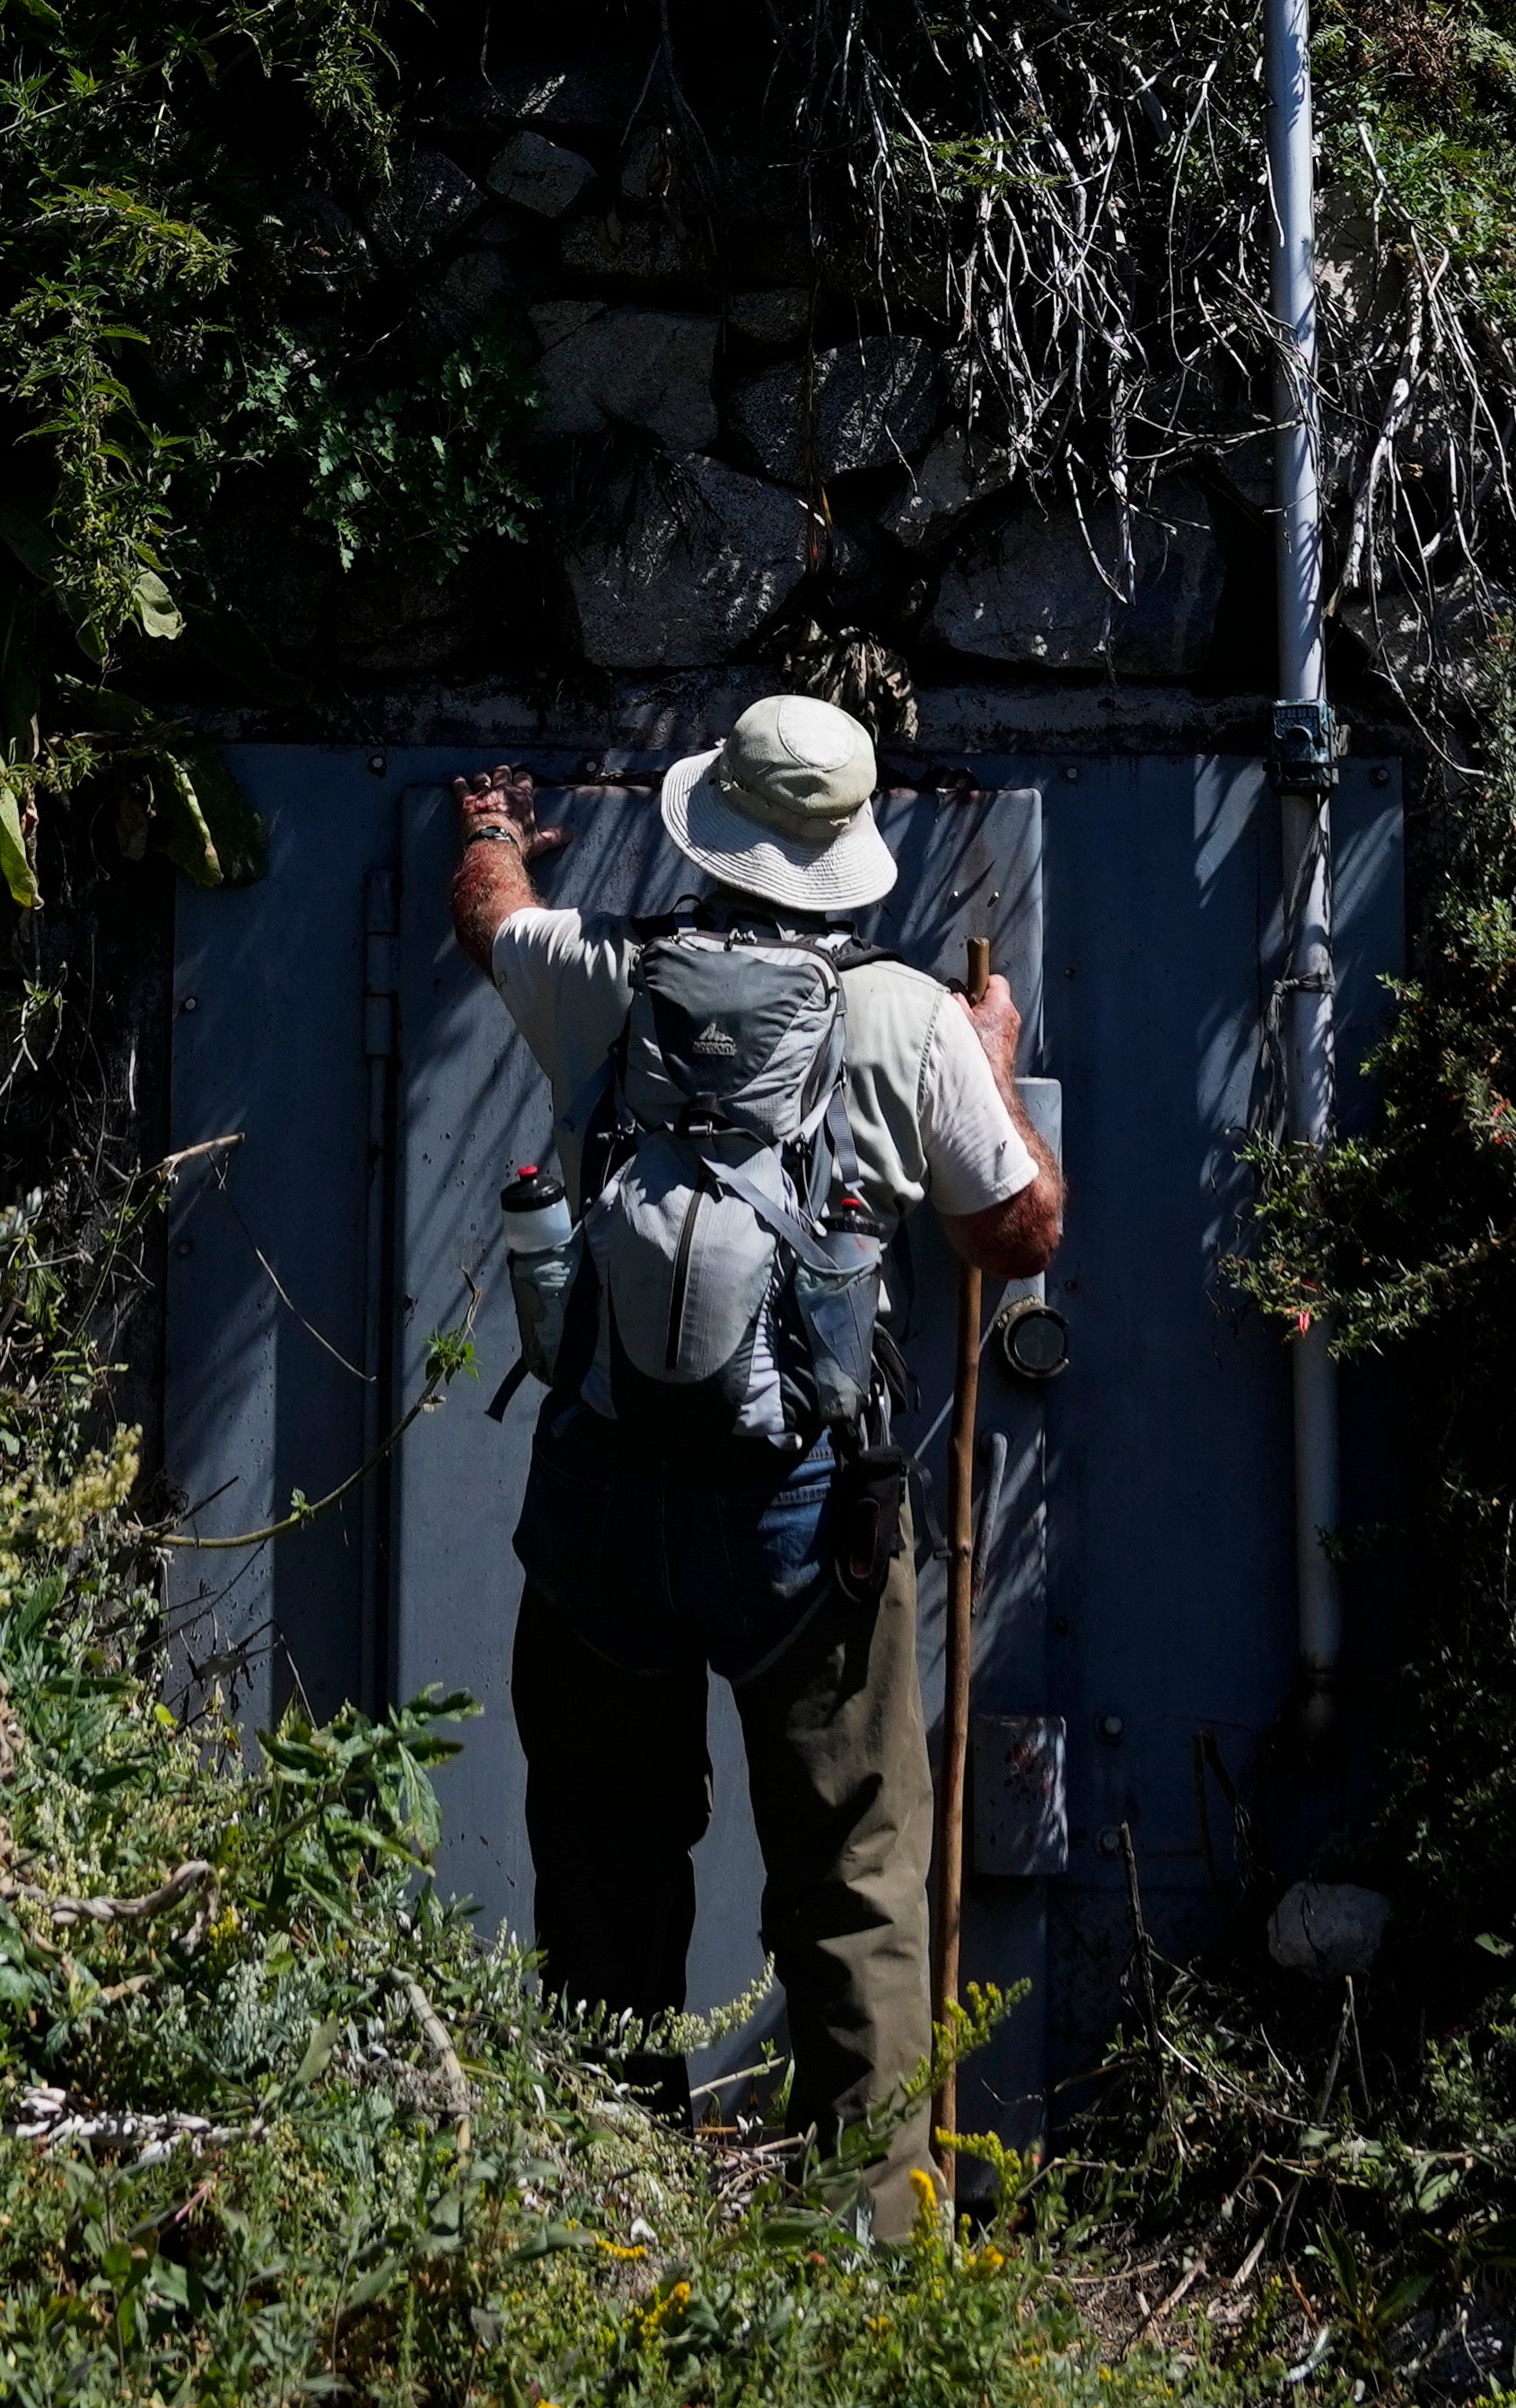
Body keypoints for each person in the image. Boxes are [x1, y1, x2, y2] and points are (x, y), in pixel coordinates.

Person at [450, 691, 1062, 2143]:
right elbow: (1019, 1232)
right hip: (809, 1532)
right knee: (853, 1880)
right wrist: (988, 1058)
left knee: (603, 1868)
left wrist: (488, 825)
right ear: (845, 852)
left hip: (600, 1507)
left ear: (707, 823)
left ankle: (612, 2219)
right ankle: (866, 2245)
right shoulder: (905, 1018)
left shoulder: (589, 966)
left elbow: (490, 915)